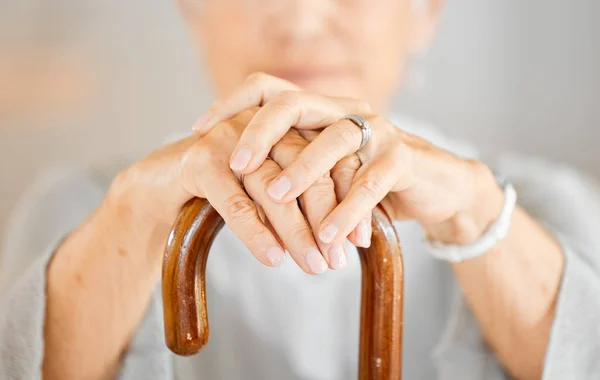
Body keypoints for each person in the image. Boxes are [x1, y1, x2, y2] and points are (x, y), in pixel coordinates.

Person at [1, 0, 599, 379]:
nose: (304, 17)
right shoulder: (76, 210)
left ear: (426, 12)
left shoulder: (546, 206)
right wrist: (130, 216)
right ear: (192, 10)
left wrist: (477, 215)